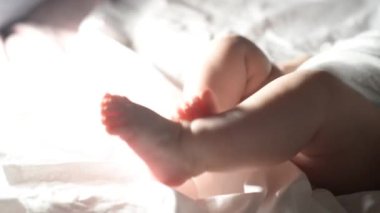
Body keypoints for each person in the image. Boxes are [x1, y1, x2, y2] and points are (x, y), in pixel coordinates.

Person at [101, 34, 380, 195]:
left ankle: (186, 147)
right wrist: (267, 76)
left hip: (361, 133)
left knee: (315, 89)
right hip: (312, 87)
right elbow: (311, 62)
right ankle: (204, 118)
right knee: (236, 47)